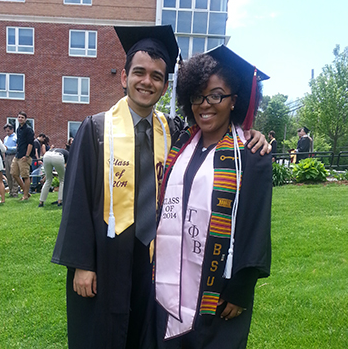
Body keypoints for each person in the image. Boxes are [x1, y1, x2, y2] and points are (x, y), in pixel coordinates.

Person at [52, 26, 270, 349]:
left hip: (154, 259)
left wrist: (253, 133)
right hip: (108, 257)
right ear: (123, 77)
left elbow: (218, 136)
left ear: (166, 86)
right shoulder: (96, 129)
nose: (147, 81)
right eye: (139, 72)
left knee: (145, 335)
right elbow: (76, 202)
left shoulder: (174, 132)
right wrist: (82, 264)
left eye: (157, 76)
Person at [154, 45, 272, 349]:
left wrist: (241, 289)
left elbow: (255, 223)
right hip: (169, 284)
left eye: (217, 95)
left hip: (220, 290)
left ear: (235, 101)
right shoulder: (181, 144)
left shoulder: (249, 153)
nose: (205, 105)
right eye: (198, 96)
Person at [11, 111, 34, 201]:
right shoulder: (18, 129)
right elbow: (19, 141)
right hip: (18, 155)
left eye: (22, 117)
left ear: (26, 119)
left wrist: (27, 155)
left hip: (25, 156)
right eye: (19, 117)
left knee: (25, 176)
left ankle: (25, 196)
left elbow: (30, 144)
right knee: (14, 173)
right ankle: (26, 192)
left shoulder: (28, 129)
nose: (20, 119)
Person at [3, 123, 19, 197]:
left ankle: (15, 192)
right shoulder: (5, 138)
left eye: (8, 131)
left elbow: (17, 148)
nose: (7, 132)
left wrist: (8, 148)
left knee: (14, 173)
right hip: (6, 156)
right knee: (8, 174)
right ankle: (10, 191)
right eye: (6, 131)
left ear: (12, 130)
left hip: (13, 156)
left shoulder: (16, 137)